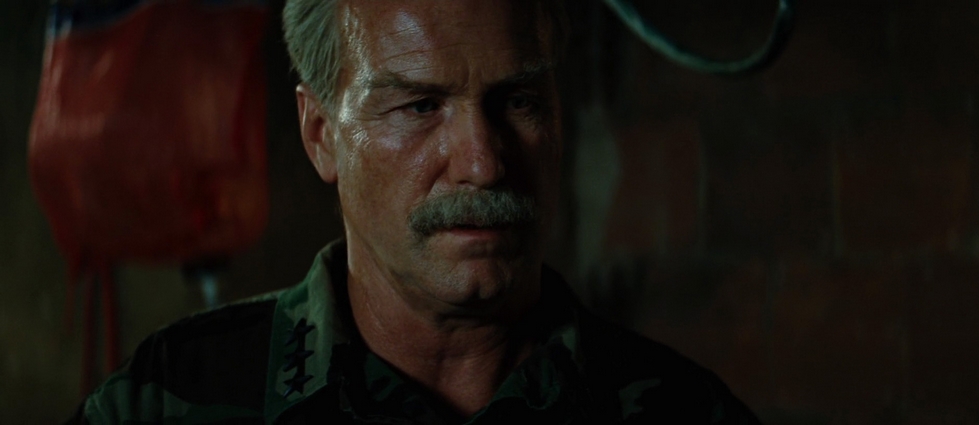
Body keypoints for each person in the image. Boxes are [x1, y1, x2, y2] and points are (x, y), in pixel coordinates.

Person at [69, 0, 761, 423]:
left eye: (518, 101)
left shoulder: (680, 410)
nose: (483, 163)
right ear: (321, 134)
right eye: (420, 106)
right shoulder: (167, 402)